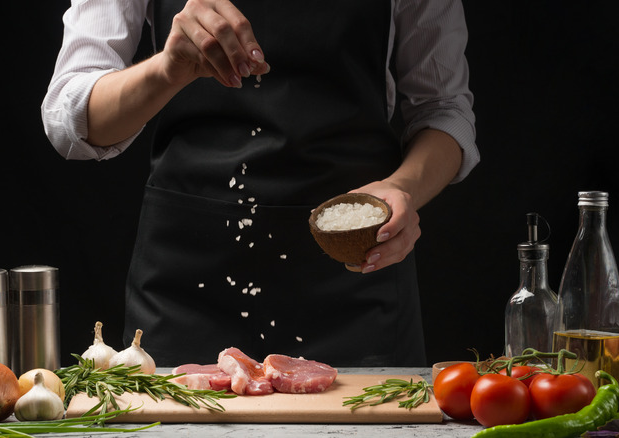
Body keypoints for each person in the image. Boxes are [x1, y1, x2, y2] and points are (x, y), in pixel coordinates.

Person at [42, 0, 479, 367]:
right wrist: (167, 69)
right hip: (186, 278)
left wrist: (403, 189)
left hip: (354, 274)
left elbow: (444, 110)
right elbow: (70, 117)